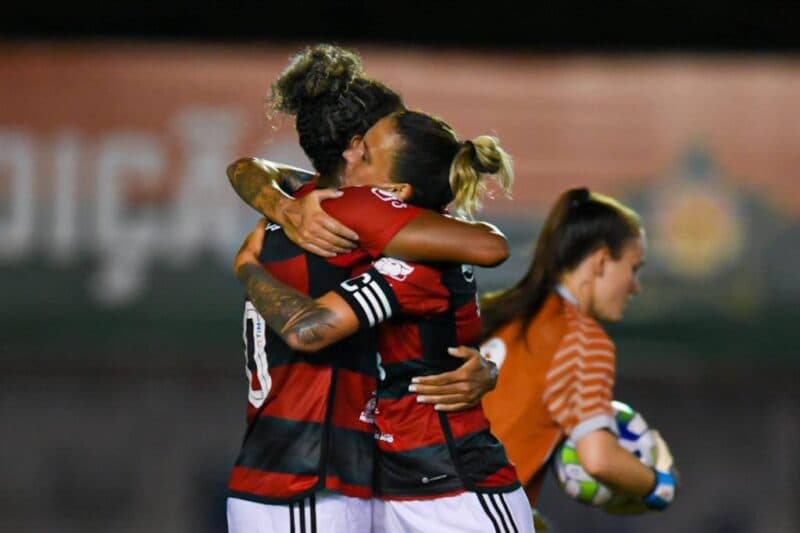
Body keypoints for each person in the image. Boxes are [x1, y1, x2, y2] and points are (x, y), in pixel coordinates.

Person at [226, 45, 510, 533]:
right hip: (311, 481)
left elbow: (245, 167)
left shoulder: (293, 205)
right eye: (383, 135)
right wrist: (247, 269)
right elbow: (488, 246)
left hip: (278, 471)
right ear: (354, 145)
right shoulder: (365, 209)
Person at [469, 187, 677, 517]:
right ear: (601, 261)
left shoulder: (505, 315)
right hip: (479, 517)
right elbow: (599, 458)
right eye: (634, 269)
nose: (636, 286)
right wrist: (658, 484)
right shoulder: (582, 338)